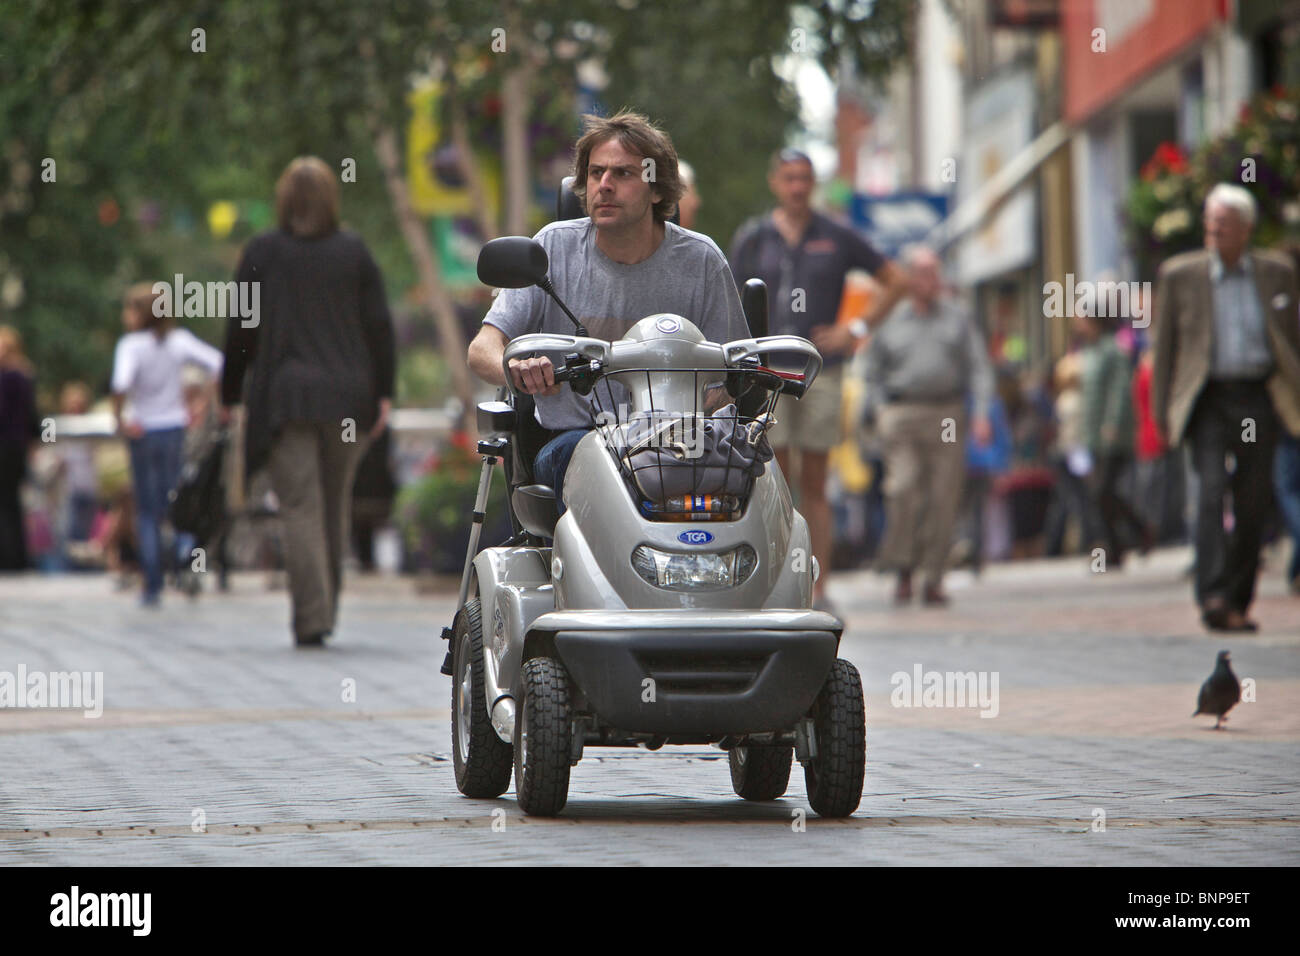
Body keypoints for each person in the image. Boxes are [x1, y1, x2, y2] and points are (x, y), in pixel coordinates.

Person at [467, 110, 747, 509]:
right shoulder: (552, 249)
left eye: (623, 174)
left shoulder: (702, 261)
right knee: (597, 463)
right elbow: (482, 349)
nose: (604, 185)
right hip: (575, 439)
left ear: (657, 190)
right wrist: (515, 371)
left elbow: (733, 374)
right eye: (596, 173)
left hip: (678, 446)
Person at [222, 156, 395, 647]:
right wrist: (384, 393)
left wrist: (229, 394)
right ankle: (325, 611)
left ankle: (312, 618)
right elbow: (379, 328)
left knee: (299, 506)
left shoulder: (262, 252)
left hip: (286, 400)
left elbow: (241, 331)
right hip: (348, 400)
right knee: (334, 505)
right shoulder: (354, 252)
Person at [728, 148, 907, 612]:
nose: (797, 187)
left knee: (816, 478)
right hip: (767, 370)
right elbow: (726, 297)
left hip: (820, 369)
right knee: (775, 478)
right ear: (775, 182)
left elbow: (895, 280)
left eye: (805, 178)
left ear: (814, 184)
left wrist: (856, 329)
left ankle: (818, 585)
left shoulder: (837, 234)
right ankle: (775, 580)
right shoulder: (753, 238)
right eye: (789, 178)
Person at [1150, 183, 1300, 631]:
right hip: (1207, 398)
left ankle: (1237, 597)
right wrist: (1161, 413)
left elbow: (1292, 338)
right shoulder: (1180, 274)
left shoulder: (1277, 273)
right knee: (1211, 490)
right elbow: (1165, 350)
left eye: (1224, 223)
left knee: (1254, 499)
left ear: (1246, 229)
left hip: (1257, 393)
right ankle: (1213, 594)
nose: (1214, 229)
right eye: (1210, 221)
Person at [863, 245, 993, 606]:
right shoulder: (890, 317)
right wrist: (879, 412)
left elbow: (979, 367)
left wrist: (982, 412)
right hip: (902, 414)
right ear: (908, 278)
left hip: (948, 413)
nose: (933, 280)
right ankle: (904, 567)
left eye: (936, 271)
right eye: (924, 272)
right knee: (903, 490)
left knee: (943, 497)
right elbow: (870, 371)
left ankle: (933, 577)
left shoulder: (957, 317)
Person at [111, 284, 224, 605]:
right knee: (174, 504)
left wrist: (119, 418)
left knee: (147, 510)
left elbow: (120, 384)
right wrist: (205, 405)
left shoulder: (132, 346)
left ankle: (153, 584)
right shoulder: (179, 342)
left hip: (143, 431)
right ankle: (186, 558)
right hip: (174, 428)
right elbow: (218, 363)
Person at [1077, 312, 1153, 568]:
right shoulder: (1089, 352)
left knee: (1102, 490)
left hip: (1113, 434)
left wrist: (1113, 423)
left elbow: (1121, 389)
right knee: (1099, 493)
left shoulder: (1113, 350)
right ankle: (1123, 541)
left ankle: (1135, 534)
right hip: (1093, 435)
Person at [0, 326, 38, 571]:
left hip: (6, 445)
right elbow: (36, 417)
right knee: (12, 503)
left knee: (6, 504)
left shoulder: (9, 377)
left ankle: (9, 557)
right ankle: (18, 558)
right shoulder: (26, 375)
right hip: (18, 446)